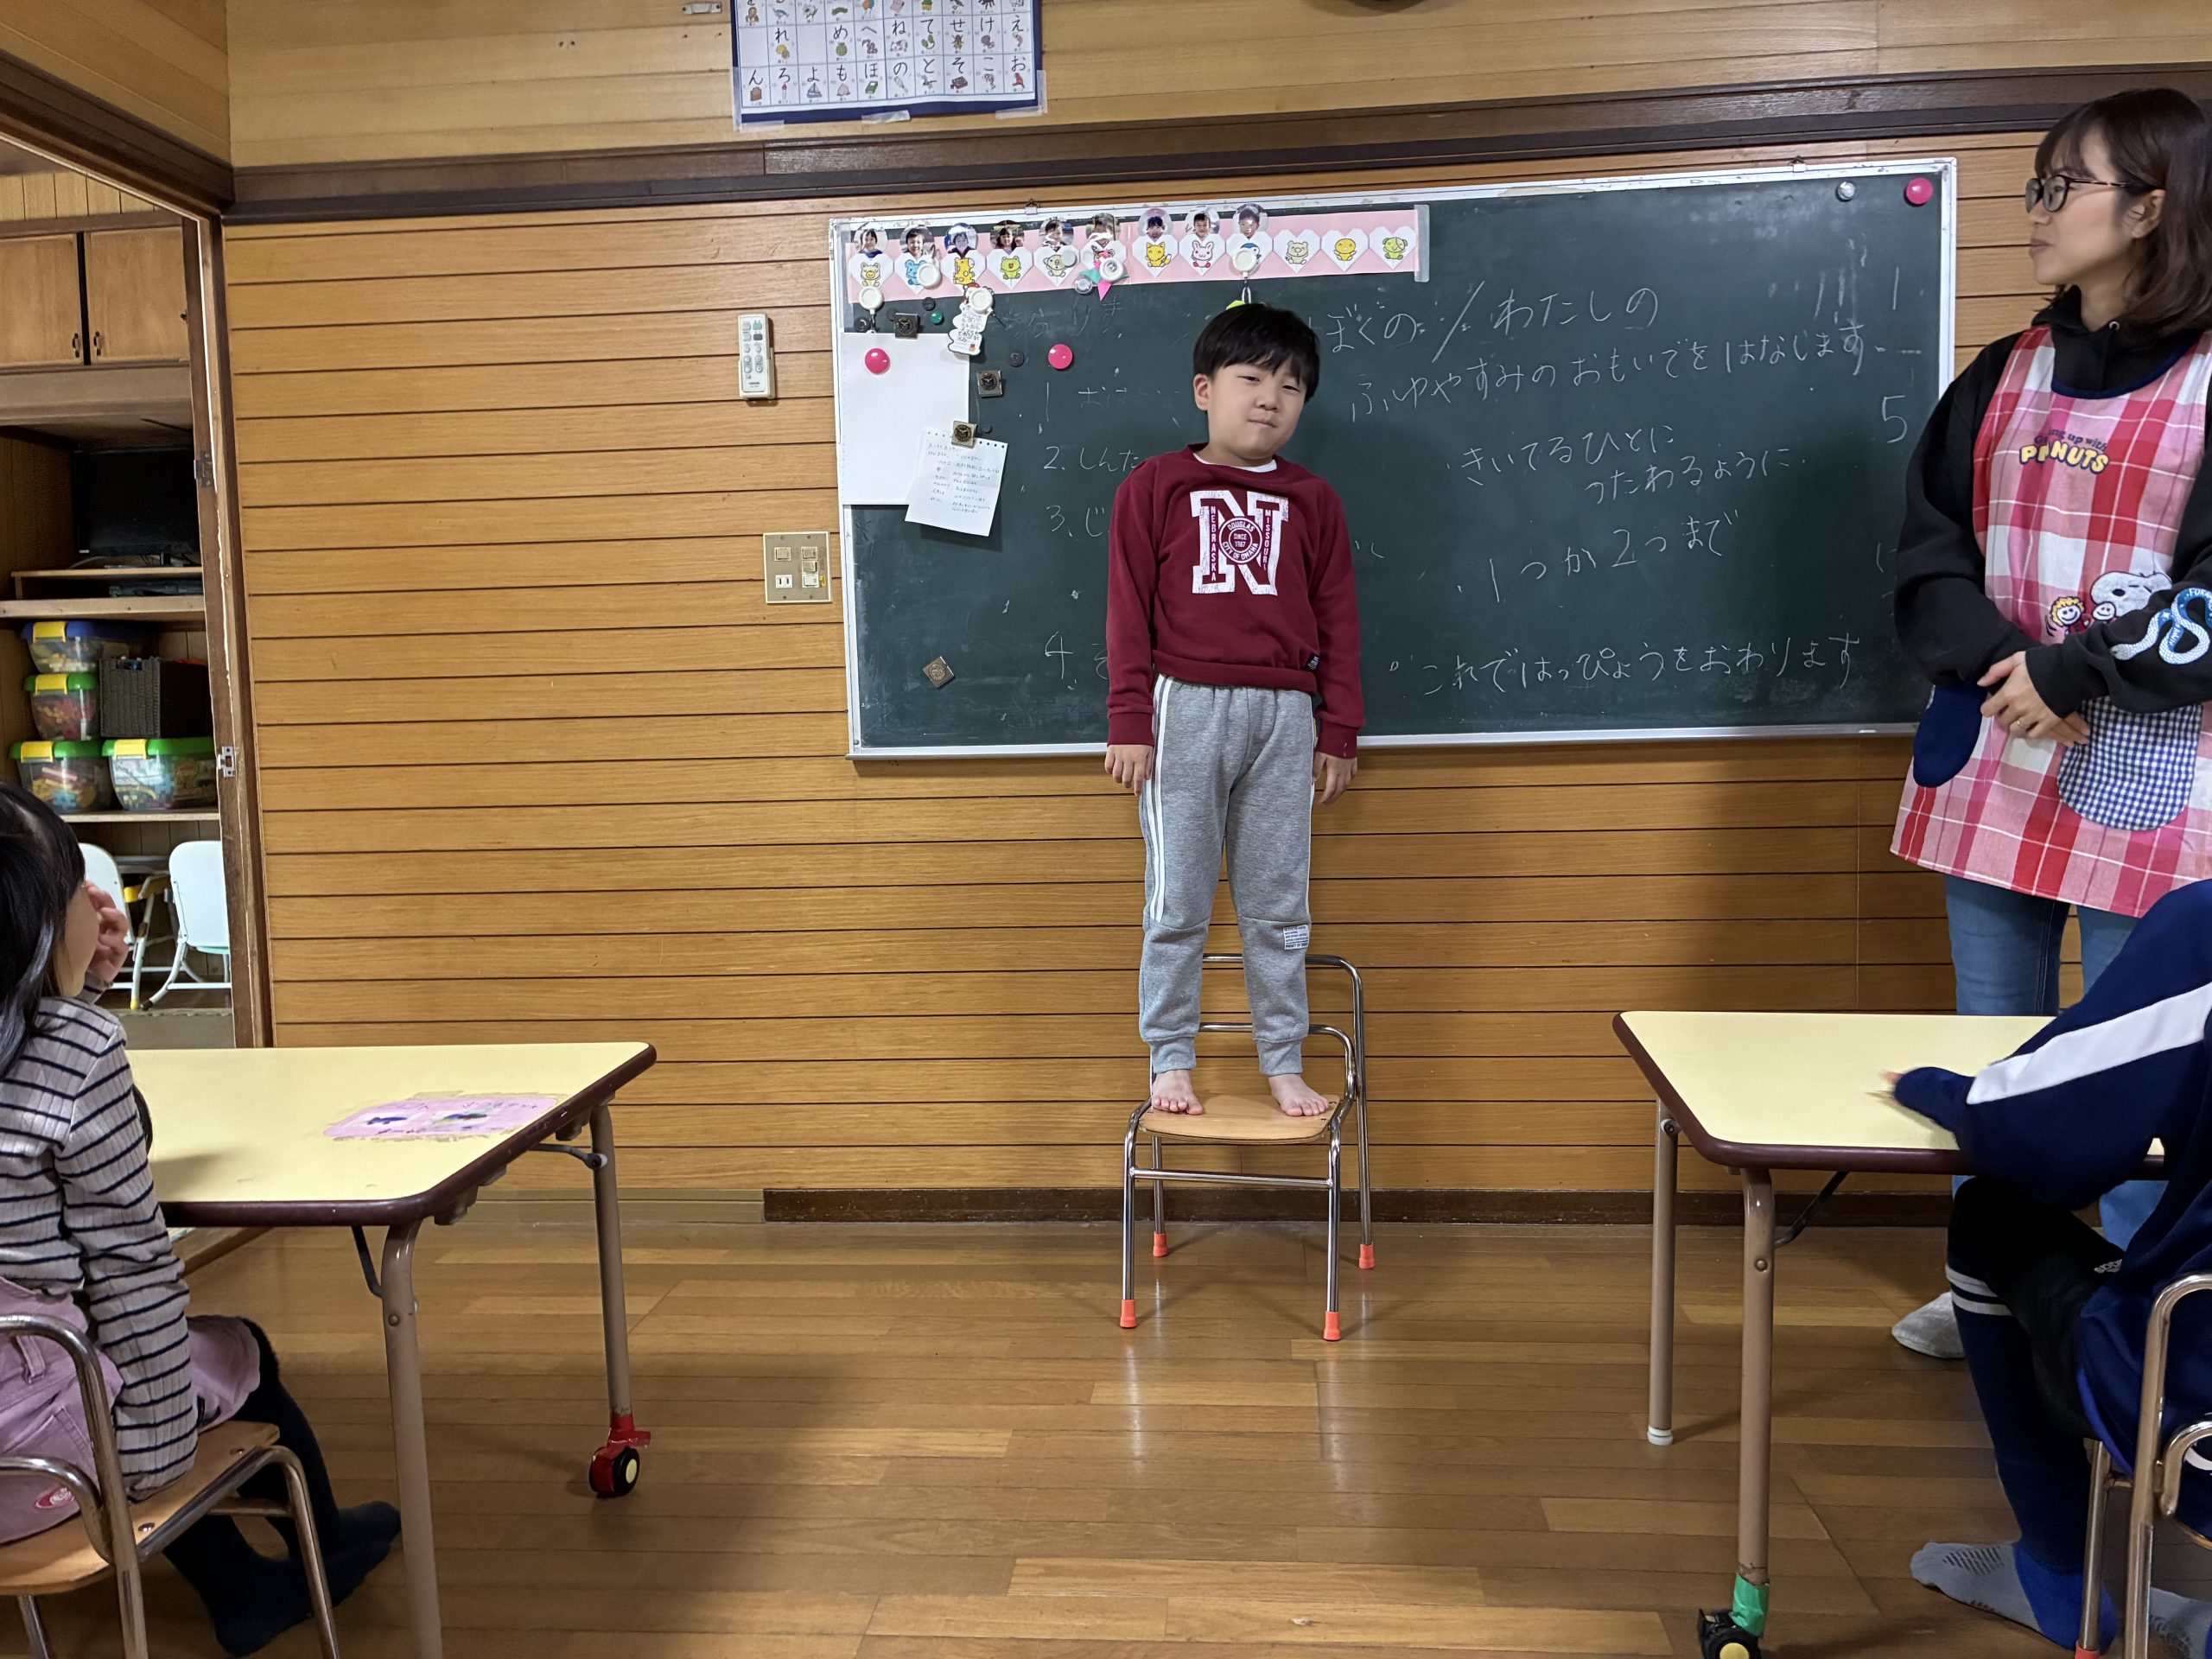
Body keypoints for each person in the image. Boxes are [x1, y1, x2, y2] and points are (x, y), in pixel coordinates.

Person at [1888, 86, 2212, 1358]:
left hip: (2148, 763)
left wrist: (2076, 675)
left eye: (2057, 187)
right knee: (2000, 1042)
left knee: (2134, 1056)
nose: (2033, 211)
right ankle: (1990, 1275)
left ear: (2151, 207)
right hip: (1999, 748)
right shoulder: (2001, 373)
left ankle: (2138, 1307)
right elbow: (1929, 552)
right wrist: (2006, 665)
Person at [0, 785, 398, 1656]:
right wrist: (148, 1453)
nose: (96, 903)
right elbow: (129, 1260)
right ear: (36, 927)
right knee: (232, 1354)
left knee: (121, 1364)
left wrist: (73, 989)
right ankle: (308, 1558)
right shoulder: (70, 1053)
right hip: (40, 1463)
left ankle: (254, 1571)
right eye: (78, 886)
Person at [1889, 879, 2212, 1656]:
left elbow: (2037, 1135)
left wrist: (1936, 1088)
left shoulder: (2203, 930)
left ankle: (2056, 1571)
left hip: (2193, 1404)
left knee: (1991, 1215)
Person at [1103, 303, 1363, 1119]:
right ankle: (1170, 1059)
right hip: (1185, 709)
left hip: (1286, 714)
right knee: (1178, 901)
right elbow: (1127, 611)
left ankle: (1282, 1059)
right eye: (1251, 378)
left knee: (1279, 906)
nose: (1269, 399)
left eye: (1291, 387)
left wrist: (1339, 727)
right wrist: (1129, 719)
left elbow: (1339, 619)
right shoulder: (1155, 486)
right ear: (1204, 390)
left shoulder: (1314, 500)